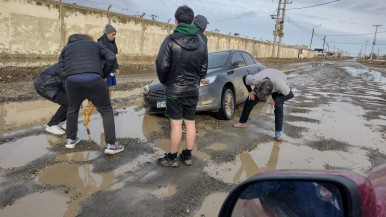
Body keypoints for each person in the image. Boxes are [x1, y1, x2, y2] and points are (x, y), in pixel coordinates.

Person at [155, 5, 208, 167]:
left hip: (174, 90)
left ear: (176, 21)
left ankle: (172, 158)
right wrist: (198, 80)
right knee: (190, 123)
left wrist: (166, 82)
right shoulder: (201, 42)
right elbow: (204, 66)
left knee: (176, 124)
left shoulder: (170, 40)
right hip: (193, 89)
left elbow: (161, 65)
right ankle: (187, 155)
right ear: (192, 20)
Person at [58, 34, 124, 155]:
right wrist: (103, 74)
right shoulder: (95, 45)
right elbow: (111, 57)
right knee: (106, 109)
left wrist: (67, 79)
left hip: (72, 81)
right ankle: (111, 145)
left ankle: (71, 140)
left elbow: (61, 68)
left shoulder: (66, 48)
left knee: (72, 109)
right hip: (94, 79)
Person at [233, 68, 294, 141]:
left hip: (278, 86)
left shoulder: (281, 85)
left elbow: (290, 95)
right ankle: (242, 122)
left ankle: (278, 133)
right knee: (250, 100)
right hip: (264, 83)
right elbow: (244, 78)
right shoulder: (255, 79)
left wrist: (275, 100)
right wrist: (250, 91)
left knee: (279, 107)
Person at [33, 63, 67, 135]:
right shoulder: (68, 66)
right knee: (68, 102)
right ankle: (51, 125)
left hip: (54, 84)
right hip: (45, 86)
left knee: (71, 101)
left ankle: (62, 122)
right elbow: (67, 84)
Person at [97, 24, 119, 99]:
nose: (114, 36)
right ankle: (104, 102)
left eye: (115, 34)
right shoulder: (101, 43)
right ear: (107, 34)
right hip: (105, 68)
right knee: (105, 87)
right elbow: (100, 57)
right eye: (112, 34)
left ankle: (108, 101)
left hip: (111, 68)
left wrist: (117, 67)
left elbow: (114, 56)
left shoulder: (113, 43)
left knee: (110, 87)